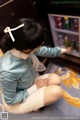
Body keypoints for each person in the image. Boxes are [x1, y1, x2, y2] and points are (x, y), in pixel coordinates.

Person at [0, 18, 72, 114]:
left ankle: (37, 99)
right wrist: (35, 87)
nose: (42, 43)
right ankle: (33, 107)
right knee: (57, 91)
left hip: (31, 82)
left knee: (56, 79)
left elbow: (47, 51)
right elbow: (11, 100)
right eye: (40, 43)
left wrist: (64, 50)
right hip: (15, 102)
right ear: (26, 49)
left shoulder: (24, 47)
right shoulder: (7, 71)